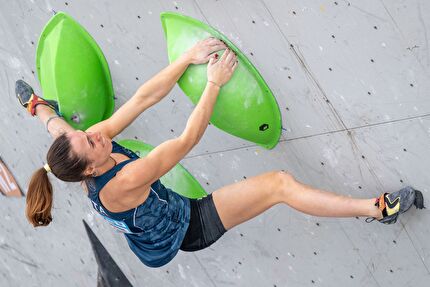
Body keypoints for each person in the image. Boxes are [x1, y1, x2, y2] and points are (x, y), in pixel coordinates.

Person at [17, 38, 424, 268]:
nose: (95, 133)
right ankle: (375, 210)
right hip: (182, 229)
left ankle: (35, 102)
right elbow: (186, 141)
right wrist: (212, 82)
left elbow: (140, 99)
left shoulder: (79, 148)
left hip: (149, 210)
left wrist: (38, 106)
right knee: (278, 185)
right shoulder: (122, 179)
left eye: (88, 133)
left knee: (54, 119)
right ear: (90, 169)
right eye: (90, 141)